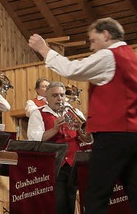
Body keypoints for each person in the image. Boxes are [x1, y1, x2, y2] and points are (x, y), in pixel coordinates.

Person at [28, 17, 137, 214]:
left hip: (112, 135)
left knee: (96, 196)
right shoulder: (131, 57)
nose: (92, 46)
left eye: (93, 40)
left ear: (106, 34)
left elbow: (73, 69)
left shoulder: (109, 55)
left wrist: (44, 49)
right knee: (136, 192)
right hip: (134, 136)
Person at [27, 82, 91, 214]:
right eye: (55, 95)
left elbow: (88, 139)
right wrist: (54, 129)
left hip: (75, 163)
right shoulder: (38, 114)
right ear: (47, 97)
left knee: (76, 200)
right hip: (54, 165)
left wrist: (80, 130)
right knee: (60, 204)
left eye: (62, 95)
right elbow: (34, 139)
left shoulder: (74, 112)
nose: (59, 98)